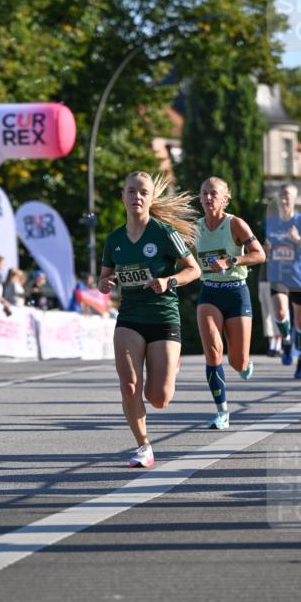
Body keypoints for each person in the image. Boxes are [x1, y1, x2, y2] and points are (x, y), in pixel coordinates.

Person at [98, 171, 200, 468]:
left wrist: (169, 281)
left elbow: (193, 270)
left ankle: (171, 366)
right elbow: (105, 278)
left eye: (143, 192)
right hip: (130, 316)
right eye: (131, 191)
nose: (137, 197)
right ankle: (143, 446)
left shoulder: (164, 233)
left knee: (158, 398)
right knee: (129, 384)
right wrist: (104, 284)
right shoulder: (114, 239)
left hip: (163, 316)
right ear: (123, 197)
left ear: (151, 197)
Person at [195, 176, 265, 429]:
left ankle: (244, 364)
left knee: (237, 361)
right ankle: (222, 412)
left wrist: (232, 261)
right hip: (209, 293)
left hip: (236, 292)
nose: (208, 197)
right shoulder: (195, 228)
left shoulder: (235, 224)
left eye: (214, 193)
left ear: (225, 198)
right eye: (204, 193)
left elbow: (260, 255)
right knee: (213, 350)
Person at [266, 184, 301, 379]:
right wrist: (267, 250)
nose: (284, 200)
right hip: (278, 274)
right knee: (281, 312)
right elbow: (269, 247)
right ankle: (286, 340)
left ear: (295, 199)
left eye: (288, 197)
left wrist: (297, 239)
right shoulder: (271, 222)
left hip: (298, 276)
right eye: (281, 196)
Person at [257, 260, 281, 357]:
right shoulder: (264, 254)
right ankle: (272, 345)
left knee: (275, 314)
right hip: (262, 284)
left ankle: (277, 346)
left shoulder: (276, 252)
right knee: (266, 316)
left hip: (272, 284)